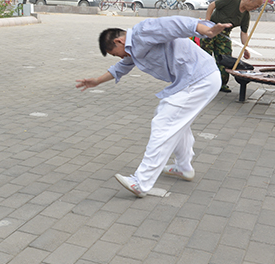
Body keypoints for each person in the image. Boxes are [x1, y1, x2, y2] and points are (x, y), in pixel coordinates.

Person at [76, 16, 232, 197]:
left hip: (199, 79)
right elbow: (121, 67)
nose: (119, 56)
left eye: (114, 52)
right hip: (193, 80)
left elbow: (175, 24)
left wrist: (207, 31)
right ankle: (183, 166)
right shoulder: (133, 49)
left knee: (164, 123)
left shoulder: (143, 31)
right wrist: (96, 81)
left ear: (119, 41)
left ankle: (141, 182)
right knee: (173, 119)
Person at [200, 0, 263, 92]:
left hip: (224, 35)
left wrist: (246, 48)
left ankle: (221, 83)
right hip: (211, 28)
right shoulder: (232, 0)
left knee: (225, 58)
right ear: (250, 0)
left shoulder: (245, 15)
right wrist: (206, 22)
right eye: (256, 6)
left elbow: (244, 32)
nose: (255, 9)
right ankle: (201, 82)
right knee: (205, 57)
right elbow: (212, 5)